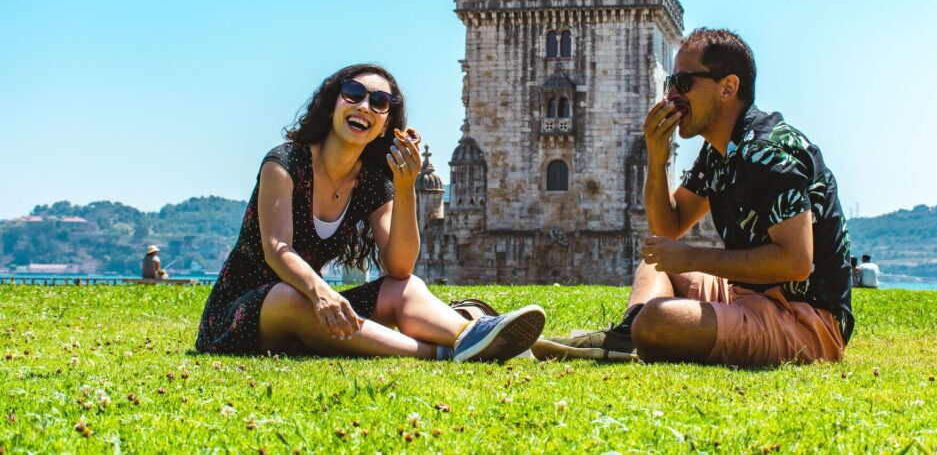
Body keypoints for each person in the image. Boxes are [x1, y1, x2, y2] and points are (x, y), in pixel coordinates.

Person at [533, 29, 853, 366]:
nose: (671, 95)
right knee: (655, 264)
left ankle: (640, 332)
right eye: (671, 82)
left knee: (658, 320)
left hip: (806, 320)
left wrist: (692, 257)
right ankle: (627, 336)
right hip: (748, 296)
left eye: (683, 83)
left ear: (727, 88)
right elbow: (667, 229)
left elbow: (796, 262)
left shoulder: (768, 153)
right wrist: (656, 160)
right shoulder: (719, 151)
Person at [196, 64, 545, 361]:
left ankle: (471, 335)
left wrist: (406, 186)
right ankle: (437, 353)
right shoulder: (285, 162)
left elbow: (400, 267)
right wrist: (322, 292)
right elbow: (277, 249)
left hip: (315, 307)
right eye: (353, 93)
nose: (364, 105)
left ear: (385, 123)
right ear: (332, 103)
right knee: (290, 295)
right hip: (246, 313)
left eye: (379, 102)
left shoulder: (372, 183)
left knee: (405, 287)